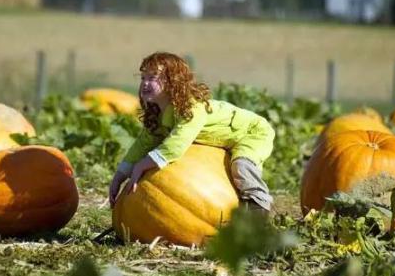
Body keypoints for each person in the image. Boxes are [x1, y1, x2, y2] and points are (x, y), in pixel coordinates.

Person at [108, 52, 275, 213]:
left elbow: (177, 143)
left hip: (252, 133)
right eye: (143, 78)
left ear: (172, 81)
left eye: (152, 78)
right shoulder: (158, 113)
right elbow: (143, 143)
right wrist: (120, 175)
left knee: (241, 167)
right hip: (225, 140)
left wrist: (143, 165)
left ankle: (258, 208)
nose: (145, 83)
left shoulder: (191, 108)